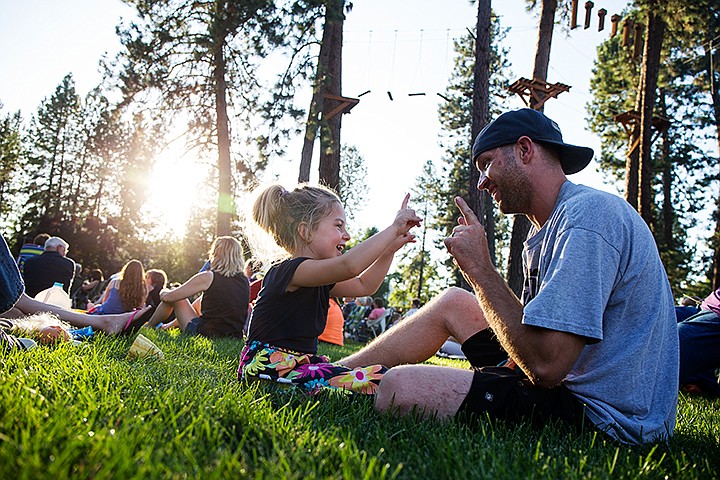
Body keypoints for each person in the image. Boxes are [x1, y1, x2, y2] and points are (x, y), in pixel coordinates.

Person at [338, 108, 678, 445]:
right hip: (563, 384)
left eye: (487, 162)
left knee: (400, 388)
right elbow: (532, 346)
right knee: (454, 302)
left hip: (603, 416)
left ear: (525, 150)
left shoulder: (586, 218)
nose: (482, 181)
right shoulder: (551, 227)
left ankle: (332, 379)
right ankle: (329, 376)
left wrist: (481, 271)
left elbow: (547, 366)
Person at [238, 184, 421, 395]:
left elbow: (365, 285)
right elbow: (349, 266)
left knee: (378, 376)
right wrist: (393, 229)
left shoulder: (317, 277)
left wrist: (388, 251)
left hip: (296, 369)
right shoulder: (290, 270)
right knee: (381, 381)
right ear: (305, 231)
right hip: (269, 371)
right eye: (338, 226)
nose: (347, 235)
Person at [1, 235, 150, 337]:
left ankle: (104, 320)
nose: (65, 254)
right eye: (65, 251)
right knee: (19, 307)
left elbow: (104, 301)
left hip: (24, 300)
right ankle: (103, 322)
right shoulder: (68, 264)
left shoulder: (30, 262)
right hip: (32, 301)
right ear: (60, 248)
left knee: (17, 311)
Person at [146, 237, 249, 338]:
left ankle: (148, 327)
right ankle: (166, 327)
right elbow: (197, 304)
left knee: (175, 295)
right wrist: (169, 325)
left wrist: (163, 291)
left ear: (215, 254)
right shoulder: (244, 281)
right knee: (195, 303)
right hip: (234, 335)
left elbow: (168, 298)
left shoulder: (209, 277)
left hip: (207, 333)